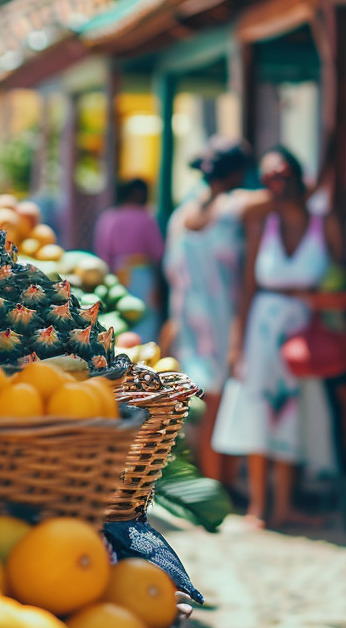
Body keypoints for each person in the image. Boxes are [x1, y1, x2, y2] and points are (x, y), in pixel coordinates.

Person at [212, 147, 343, 528]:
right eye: (269, 177)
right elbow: (247, 287)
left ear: (301, 177)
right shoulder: (260, 225)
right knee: (257, 408)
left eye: (284, 175)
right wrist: (237, 346)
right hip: (263, 325)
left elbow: (341, 276)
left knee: (293, 409)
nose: (278, 184)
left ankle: (284, 504)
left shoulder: (324, 224)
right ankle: (257, 505)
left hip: (304, 325)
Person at [162, 139, 262, 483]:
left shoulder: (180, 216)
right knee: (219, 407)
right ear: (239, 172)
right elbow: (295, 195)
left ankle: (214, 484)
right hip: (224, 322)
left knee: (204, 409)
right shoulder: (241, 206)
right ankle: (218, 486)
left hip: (187, 322)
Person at [93, 178, 164, 342]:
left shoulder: (109, 218)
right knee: (146, 319)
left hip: (117, 275)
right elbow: (158, 253)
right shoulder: (146, 218)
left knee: (119, 317)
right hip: (143, 276)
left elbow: (103, 253)